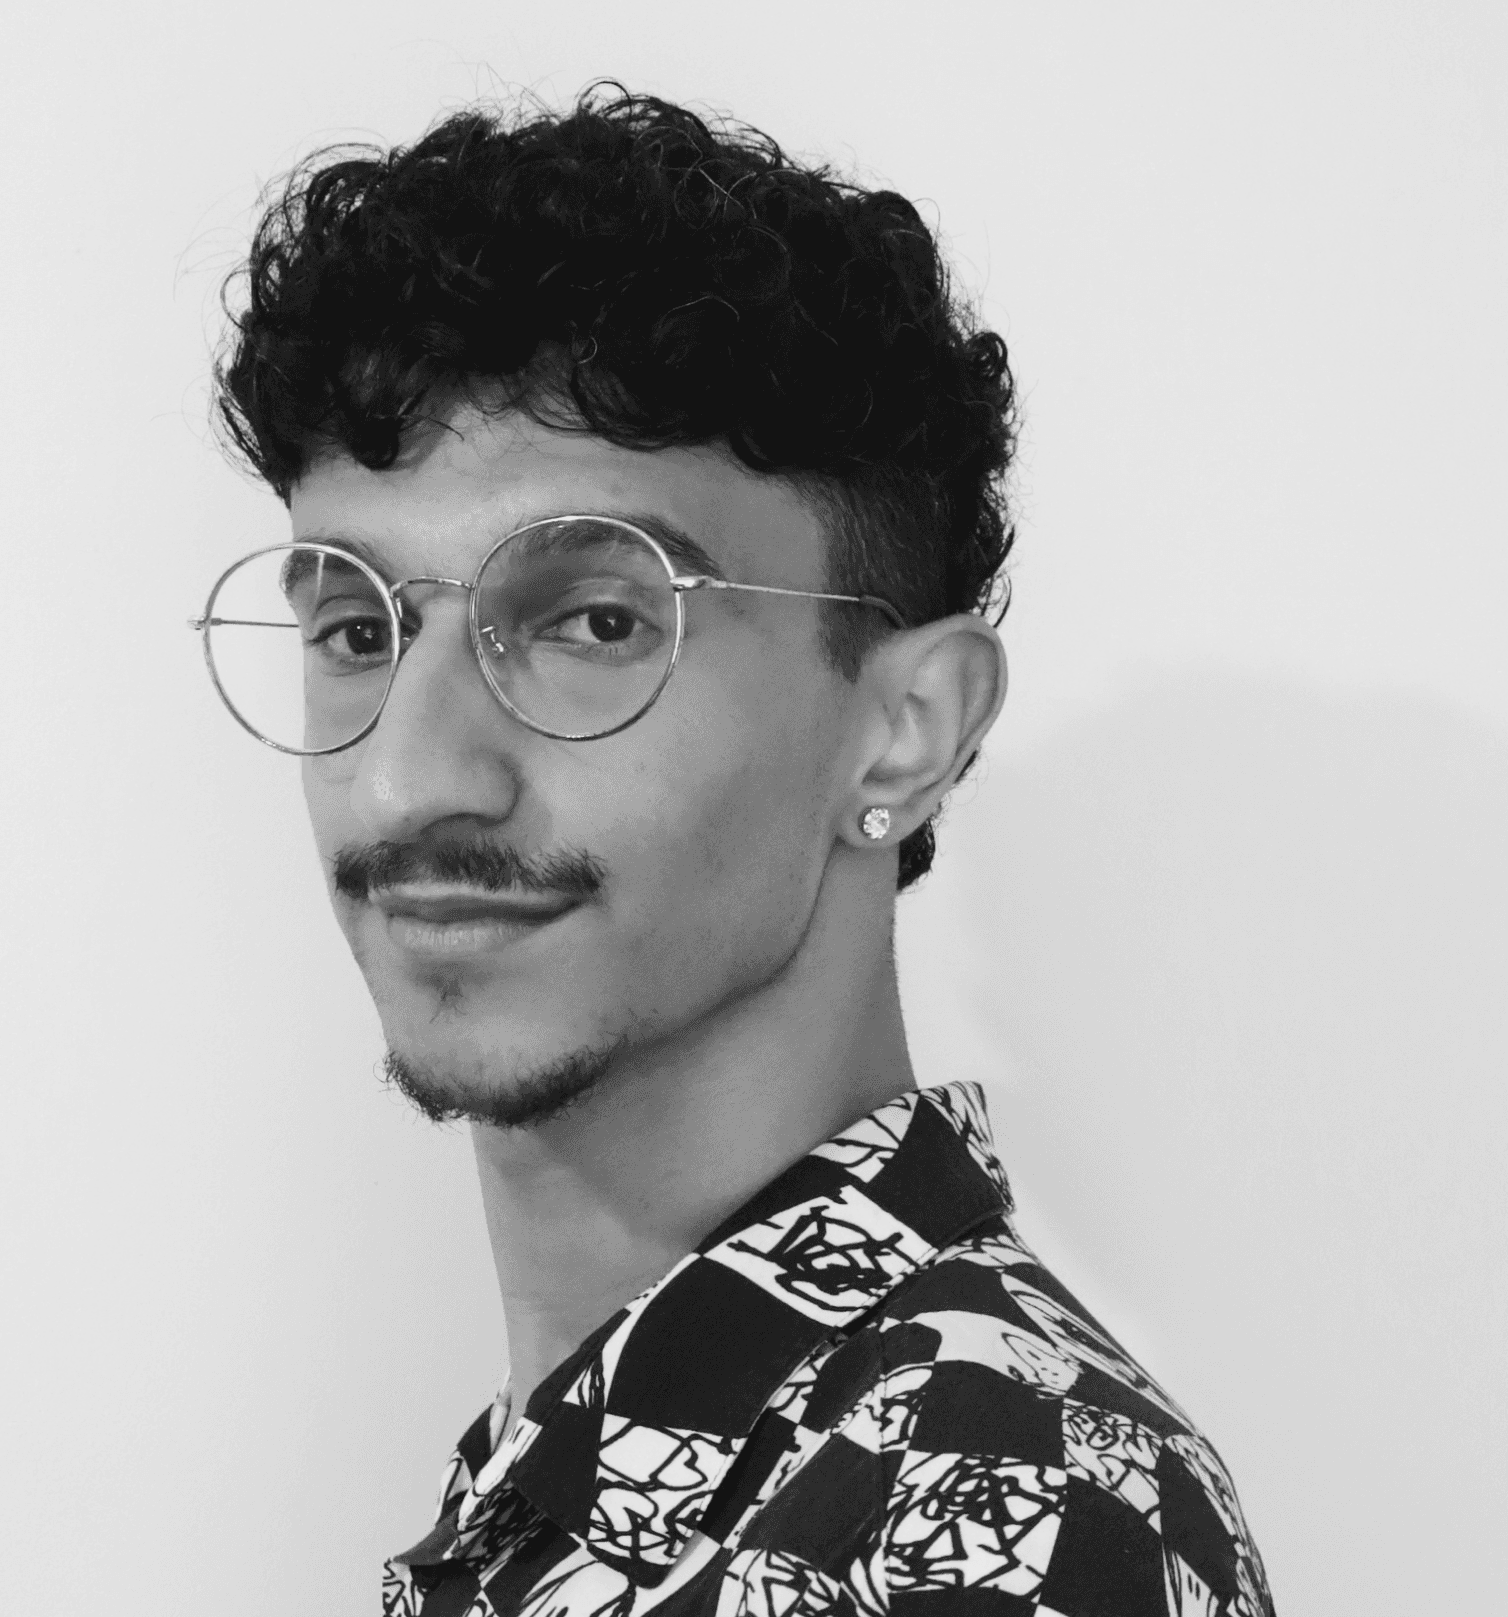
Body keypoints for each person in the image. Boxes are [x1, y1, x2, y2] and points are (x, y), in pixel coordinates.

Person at [197, 86, 1275, 1617]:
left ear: (902, 728)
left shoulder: (996, 1514)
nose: (409, 775)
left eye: (595, 621)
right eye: (360, 632)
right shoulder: (593, 1477)